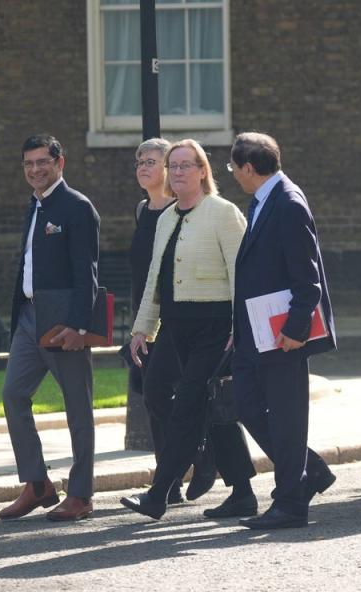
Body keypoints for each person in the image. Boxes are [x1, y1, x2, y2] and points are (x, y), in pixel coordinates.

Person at [120, 139, 257, 521]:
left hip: (215, 327)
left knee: (189, 407)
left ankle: (159, 493)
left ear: (202, 171)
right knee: (156, 393)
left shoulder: (223, 213)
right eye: (173, 166)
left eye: (186, 165)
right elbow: (154, 279)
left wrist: (238, 326)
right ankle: (237, 487)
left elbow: (241, 275)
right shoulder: (166, 218)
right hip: (175, 327)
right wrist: (141, 328)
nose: (178, 172)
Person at [227, 132, 337, 530]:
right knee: (246, 404)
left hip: (282, 334)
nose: (234, 175)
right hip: (254, 331)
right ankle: (310, 471)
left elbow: (307, 277)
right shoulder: (263, 201)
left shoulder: (288, 203)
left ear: (249, 168)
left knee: (288, 419)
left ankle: (291, 503)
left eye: (234, 167)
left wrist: (296, 329)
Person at [0, 134, 100, 522]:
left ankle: (81, 494)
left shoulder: (76, 206)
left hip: (63, 322)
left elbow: (85, 272)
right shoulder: (34, 205)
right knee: (12, 394)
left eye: (43, 162)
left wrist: (78, 325)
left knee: (78, 408)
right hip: (28, 318)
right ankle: (37, 483)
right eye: (28, 164)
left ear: (61, 162)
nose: (35, 170)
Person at [128, 138, 217, 505]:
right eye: (139, 161)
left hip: (188, 322)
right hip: (151, 318)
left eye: (152, 161)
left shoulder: (189, 211)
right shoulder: (144, 210)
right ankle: (179, 472)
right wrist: (141, 324)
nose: (144, 167)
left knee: (191, 399)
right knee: (155, 398)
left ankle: (198, 461)